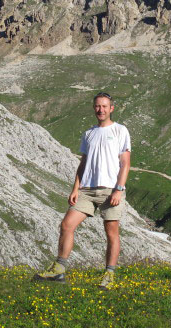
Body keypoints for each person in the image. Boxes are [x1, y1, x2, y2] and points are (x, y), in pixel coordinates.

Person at [34, 92, 131, 290]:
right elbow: (83, 163)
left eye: (105, 106)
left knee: (111, 232)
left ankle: (109, 275)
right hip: (87, 189)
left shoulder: (121, 130)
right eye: (97, 106)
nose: (101, 110)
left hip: (110, 189)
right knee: (67, 225)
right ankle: (59, 270)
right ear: (93, 108)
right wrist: (75, 188)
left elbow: (125, 163)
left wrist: (118, 190)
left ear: (111, 108)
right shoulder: (89, 134)